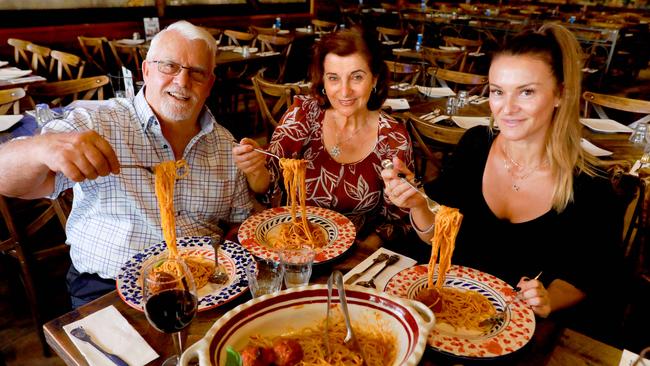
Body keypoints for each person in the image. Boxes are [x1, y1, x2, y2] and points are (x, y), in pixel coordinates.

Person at [381, 23, 625, 332]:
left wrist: (547, 298)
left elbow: (588, 275)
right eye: (498, 91)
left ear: (560, 94)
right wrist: (417, 205)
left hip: (521, 331)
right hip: (449, 318)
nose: (506, 109)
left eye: (526, 91)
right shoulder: (475, 145)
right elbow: (439, 237)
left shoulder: (592, 186)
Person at [0, 20, 253, 308]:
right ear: (146, 71)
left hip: (203, 288)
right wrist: (39, 149)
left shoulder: (225, 145)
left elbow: (238, 223)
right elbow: (6, 178)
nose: (182, 82)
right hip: (108, 288)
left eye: (197, 73)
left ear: (209, 84)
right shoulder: (99, 123)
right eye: (169, 66)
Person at [233, 26, 414, 249]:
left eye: (357, 77)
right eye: (333, 78)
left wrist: (364, 250)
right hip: (290, 246)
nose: (345, 91)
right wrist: (254, 168)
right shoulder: (302, 114)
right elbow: (265, 185)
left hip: (357, 253)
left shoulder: (393, 137)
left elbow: (399, 217)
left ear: (375, 79)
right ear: (323, 81)